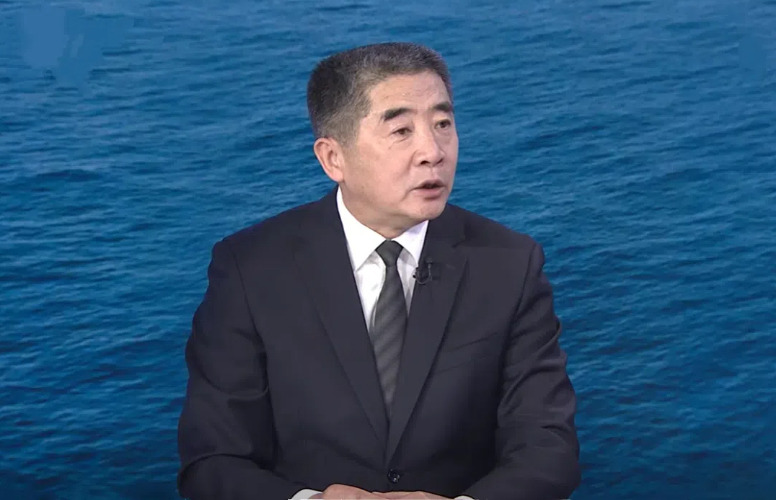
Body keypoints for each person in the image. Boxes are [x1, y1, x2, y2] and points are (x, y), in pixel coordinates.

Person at [176, 41, 580, 500]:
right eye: (401, 130)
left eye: (443, 124)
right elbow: (212, 461)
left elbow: (548, 448)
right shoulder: (250, 268)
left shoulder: (510, 263)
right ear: (333, 158)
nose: (433, 152)